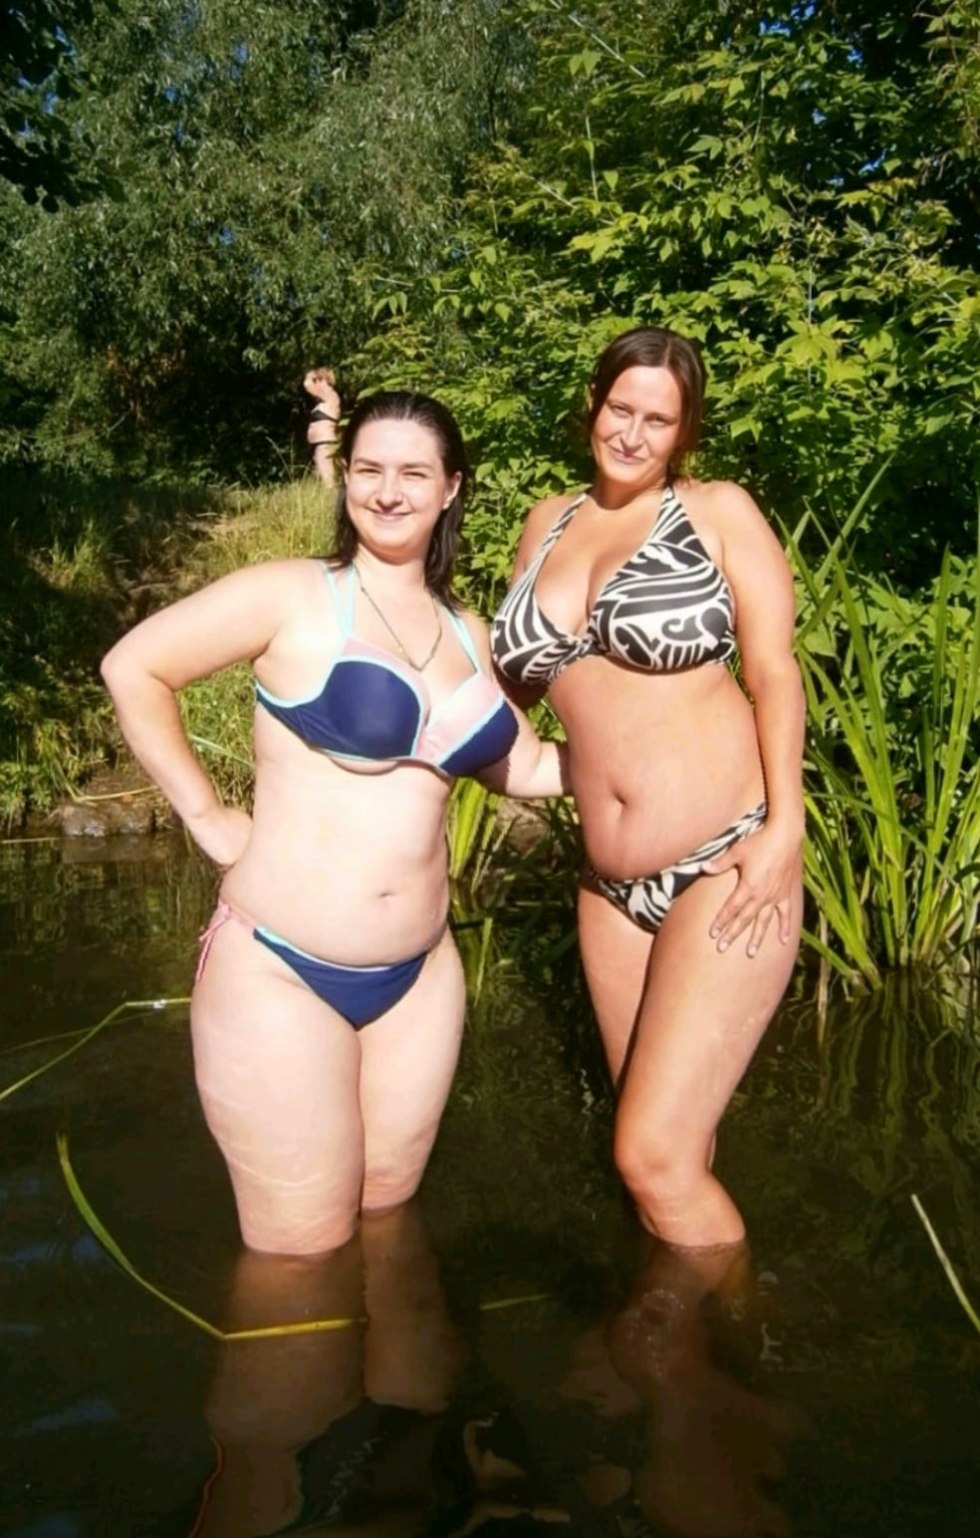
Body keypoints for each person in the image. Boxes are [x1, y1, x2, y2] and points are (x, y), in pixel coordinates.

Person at [101, 386, 566, 1258]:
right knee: (298, 1255)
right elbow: (135, 668)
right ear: (344, 477)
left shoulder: (470, 634)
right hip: (282, 970)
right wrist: (207, 815)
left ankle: (394, 1398)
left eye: (413, 473)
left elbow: (530, 766)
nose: (388, 491)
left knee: (388, 1224)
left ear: (452, 488)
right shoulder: (294, 596)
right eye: (369, 469)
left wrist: (658, 765)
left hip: (420, 980)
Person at [491, 326, 804, 1250]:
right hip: (608, 892)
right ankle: (677, 1353)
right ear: (593, 404)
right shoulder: (544, 523)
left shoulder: (714, 511)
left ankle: (740, 1356)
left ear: (684, 432)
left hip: (726, 861)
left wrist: (785, 826)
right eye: (620, 408)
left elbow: (775, 672)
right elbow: (505, 697)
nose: (631, 432)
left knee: (651, 1158)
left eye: (656, 419)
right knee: (672, 1150)